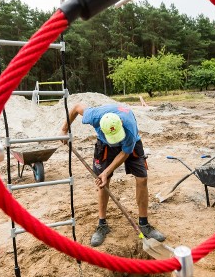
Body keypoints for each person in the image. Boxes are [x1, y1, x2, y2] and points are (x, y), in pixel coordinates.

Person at [61, 103, 166, 247]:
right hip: (105, 145)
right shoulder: (93, 116)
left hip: (131, 144)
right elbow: (76, 107)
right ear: (99, 127)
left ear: (121, 123)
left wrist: (106, 171)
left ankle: (144, 224)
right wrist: (64, 130)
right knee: (103, 183)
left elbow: (125, 152)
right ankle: (102, 224)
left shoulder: (129, 127)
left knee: (142, 179)